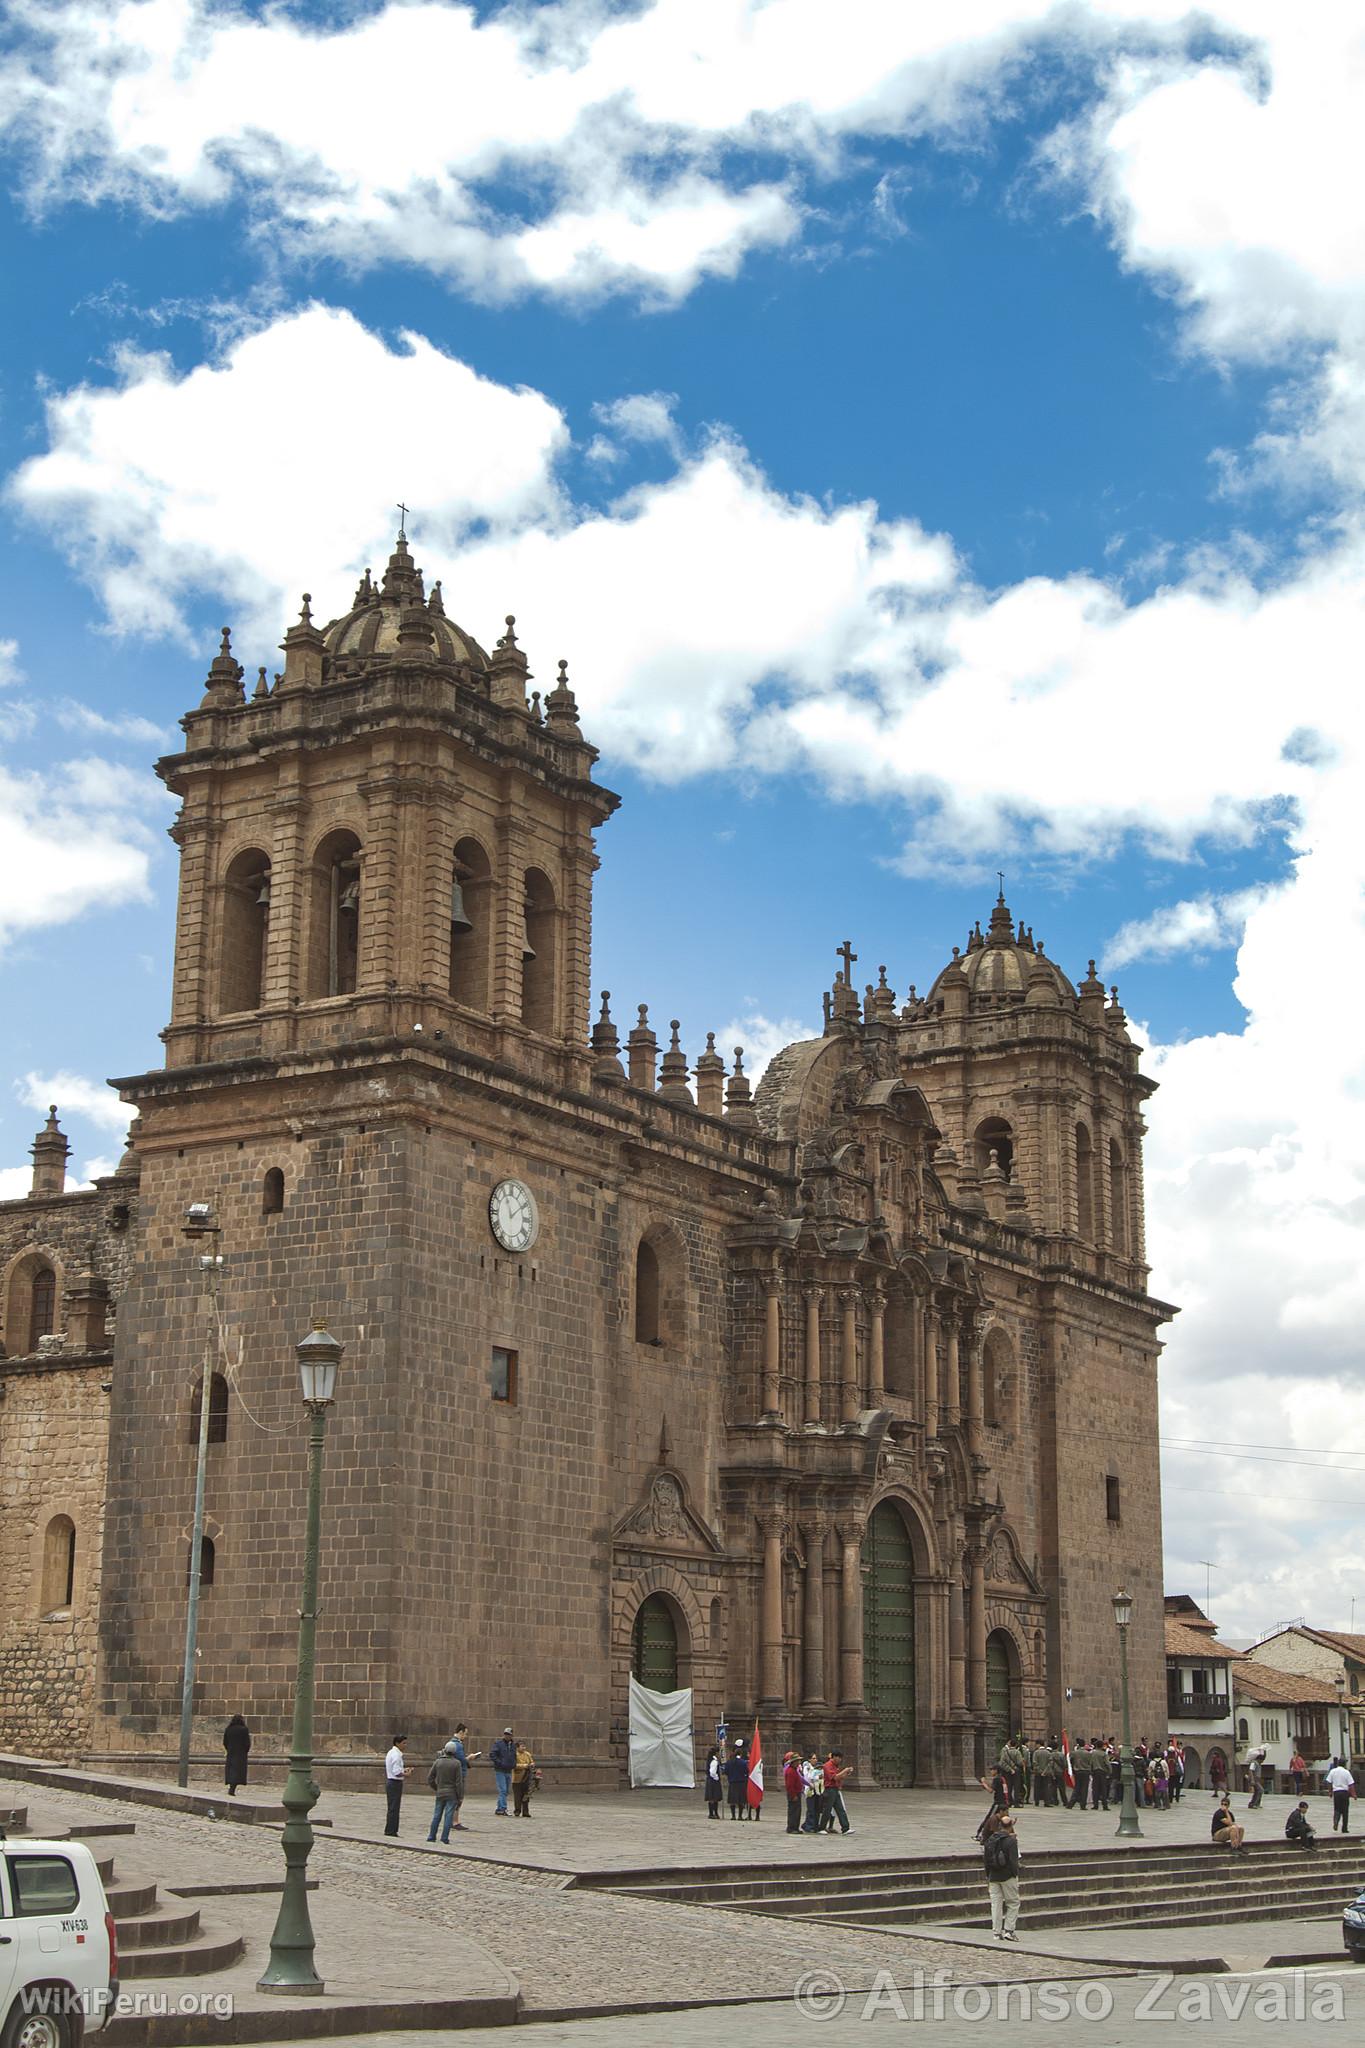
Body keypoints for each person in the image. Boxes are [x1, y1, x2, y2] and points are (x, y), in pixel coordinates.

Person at [982, 1810, 1021, 1941]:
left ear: (999, 1825)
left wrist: (988, 1875)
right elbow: (1013, 1861)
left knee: (996, 1904)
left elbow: (986, 1860)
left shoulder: (990, 1840)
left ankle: (996, 1932)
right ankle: (1009, 1931)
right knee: (1013, 1902)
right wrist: (1015, 1874)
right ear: (1010, 1826)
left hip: (993, 1876)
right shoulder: (1011, 1841)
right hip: (1008, 1876)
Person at [427, 1741, 463, 1845]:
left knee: (437, 1815)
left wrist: (436, 1788)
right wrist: (460, 1796)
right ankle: (444, 1838)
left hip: (440, 1792)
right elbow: (458, 1782)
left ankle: (431, 1836)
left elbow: (430, 1778)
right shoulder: (456, 1763)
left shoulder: (438, 1762)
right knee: (448, 1816)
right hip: (452, 1793)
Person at [449, 1723, 479, 1830]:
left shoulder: (451, 1743)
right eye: (465, 1734)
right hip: (459, 1774)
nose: (466, 1736)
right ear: (461, 1732)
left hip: (453, 1773)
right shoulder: (458, 1744)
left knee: (454, 1797)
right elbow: (461, 1760)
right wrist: (470, 1757)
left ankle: (451, 1820)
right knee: (458, 1797)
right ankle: (454, 1821)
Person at [384, 1733, 409, 1836]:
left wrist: (403, 1770)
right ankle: (391, 1830)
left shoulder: (391, 1752)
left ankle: (391, 1829)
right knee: (394, 1807)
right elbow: (396, 1772)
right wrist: (406, 1774)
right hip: (395, 1782)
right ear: (397, 1743)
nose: (405, 1745)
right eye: (404, 1743)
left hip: (391, 1782)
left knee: (392, 1807)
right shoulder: (396, 1755)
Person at [822, 1752, 851, 1834]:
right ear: (834, 1757)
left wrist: (846, 1773)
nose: (840, 1760)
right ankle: (821, 1827)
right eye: (839, 1758)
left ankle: (845, 1828)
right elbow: (835, 1777)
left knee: (840, 1809)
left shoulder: (835, 1766)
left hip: (835, 1789)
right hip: (829, 1789)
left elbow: (840, 1777)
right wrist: (844, 1770)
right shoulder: (827, 1765)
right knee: (827, 1810)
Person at [1325, 1756, 1355, 1834]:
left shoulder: (1333, 1771)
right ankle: (1344, 1828)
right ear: (1344, 1764)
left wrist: (1330, 1792)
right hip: (1345, 1793)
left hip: (1336, 1793)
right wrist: (1354, 1794)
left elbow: (1328, 1782)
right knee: (1345, 1811)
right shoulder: (1346, 1772)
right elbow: (1351, 1784)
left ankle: (1336, 1821)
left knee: (1337, 1809)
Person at [489, 1727, 516, 1817]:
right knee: (503, 1790)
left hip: (509, 1770)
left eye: (509, 1734)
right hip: (500, 1770)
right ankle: (503, 1808)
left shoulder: (513, 1745)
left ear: (511, 1735)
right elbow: (492, 1754)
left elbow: (514, 1756)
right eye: (506, 1734)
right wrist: (499, 1763)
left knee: (505, 1791)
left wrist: (514, 1764)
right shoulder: (498, 1744)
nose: (507, 1736)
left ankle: (499, 1808)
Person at [223, 1714, 251, 1798]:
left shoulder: (229, 1729)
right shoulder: (244, 1729)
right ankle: (232, 1788)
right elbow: (247, 1742)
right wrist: (245, 1750)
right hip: (240, 1753)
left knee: (232, 1770)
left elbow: (225, 1742)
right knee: (237, 1771)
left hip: (231, 1752)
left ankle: (231, 1786)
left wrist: (229, 1748)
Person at [512, 1738, 538, 1817]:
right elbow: (513, 1765)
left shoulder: (527, 1754)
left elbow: (532, 1762)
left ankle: (525, 1811)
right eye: (522, 1746)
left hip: (527, 1777)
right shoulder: (514, 1754)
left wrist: (532, 1764)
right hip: (517, 1778)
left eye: (524, 1746)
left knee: (526, 1795)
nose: (524, 1748)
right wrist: (524, 1766)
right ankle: (517, 1811)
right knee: (517, 1796)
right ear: (517, 1747)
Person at [800, 1752, 824, 1833]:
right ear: (809, 1759)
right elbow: (808, 1778)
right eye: (813, 1758)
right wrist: (817, 1777)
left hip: (817, 1789)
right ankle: (809, 1826)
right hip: (810, 1790)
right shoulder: (807, 1768)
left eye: (816, 1758)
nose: (815, 1760)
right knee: (811, 1808)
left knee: (817, 1808)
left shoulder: (818, 1767)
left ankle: (815, 1825)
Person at [725, 1746, 749, 1820]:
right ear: (740, 1754)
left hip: (732, 1782)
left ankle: (733, 1816)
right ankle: (740, 1816)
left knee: (732, 1800)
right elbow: (746, 1771)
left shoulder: (729, 1762)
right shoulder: (743, 1762)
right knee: (741, 1800)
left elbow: (726, 1771)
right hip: (741, 1782)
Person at [783, 1751, 804, 1833]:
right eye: (797, 1761)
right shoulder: (790, 1771)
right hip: (794, 1793)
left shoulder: (794, 1770)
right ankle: (791, 1828)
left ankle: (795, 1827)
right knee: (793, 1811)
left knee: (797, 1811)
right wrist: (793, 1795)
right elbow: (790, 1785)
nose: (799, 1762)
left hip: (797, 1793)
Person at [705, 1746, 724, 1820]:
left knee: (712, 1797)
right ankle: (713, 1813)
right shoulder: (714, 1761)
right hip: (713, 1780)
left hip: (710, 1780)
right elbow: (712, 1772)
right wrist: (717, 1777)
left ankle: (712, 1813)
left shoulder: (710, 1759)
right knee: (714, 1797)